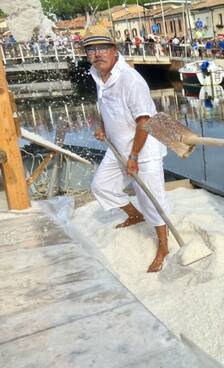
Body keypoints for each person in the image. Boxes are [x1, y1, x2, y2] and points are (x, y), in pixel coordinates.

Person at [84, 25, 171, 273]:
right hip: (117, 147)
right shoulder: (96, 74)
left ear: (114, 50)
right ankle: (135, 215)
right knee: (101, 186)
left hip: (143, 149)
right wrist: (102, 126)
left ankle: (163, 246)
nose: (97, 53)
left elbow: (145, 121)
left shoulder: (131, 79)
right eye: (91, 49)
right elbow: (105, 106)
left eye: (102, 48)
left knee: (152, 199)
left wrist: (134, 157)